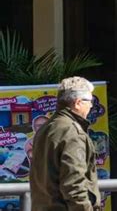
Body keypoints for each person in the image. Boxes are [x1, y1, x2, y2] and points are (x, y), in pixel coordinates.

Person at [30, 76, 101, 211]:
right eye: (90, 101)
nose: (91, 106)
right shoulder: (72, 132)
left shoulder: (47, 127)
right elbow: (74, 184)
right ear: (78, 103)